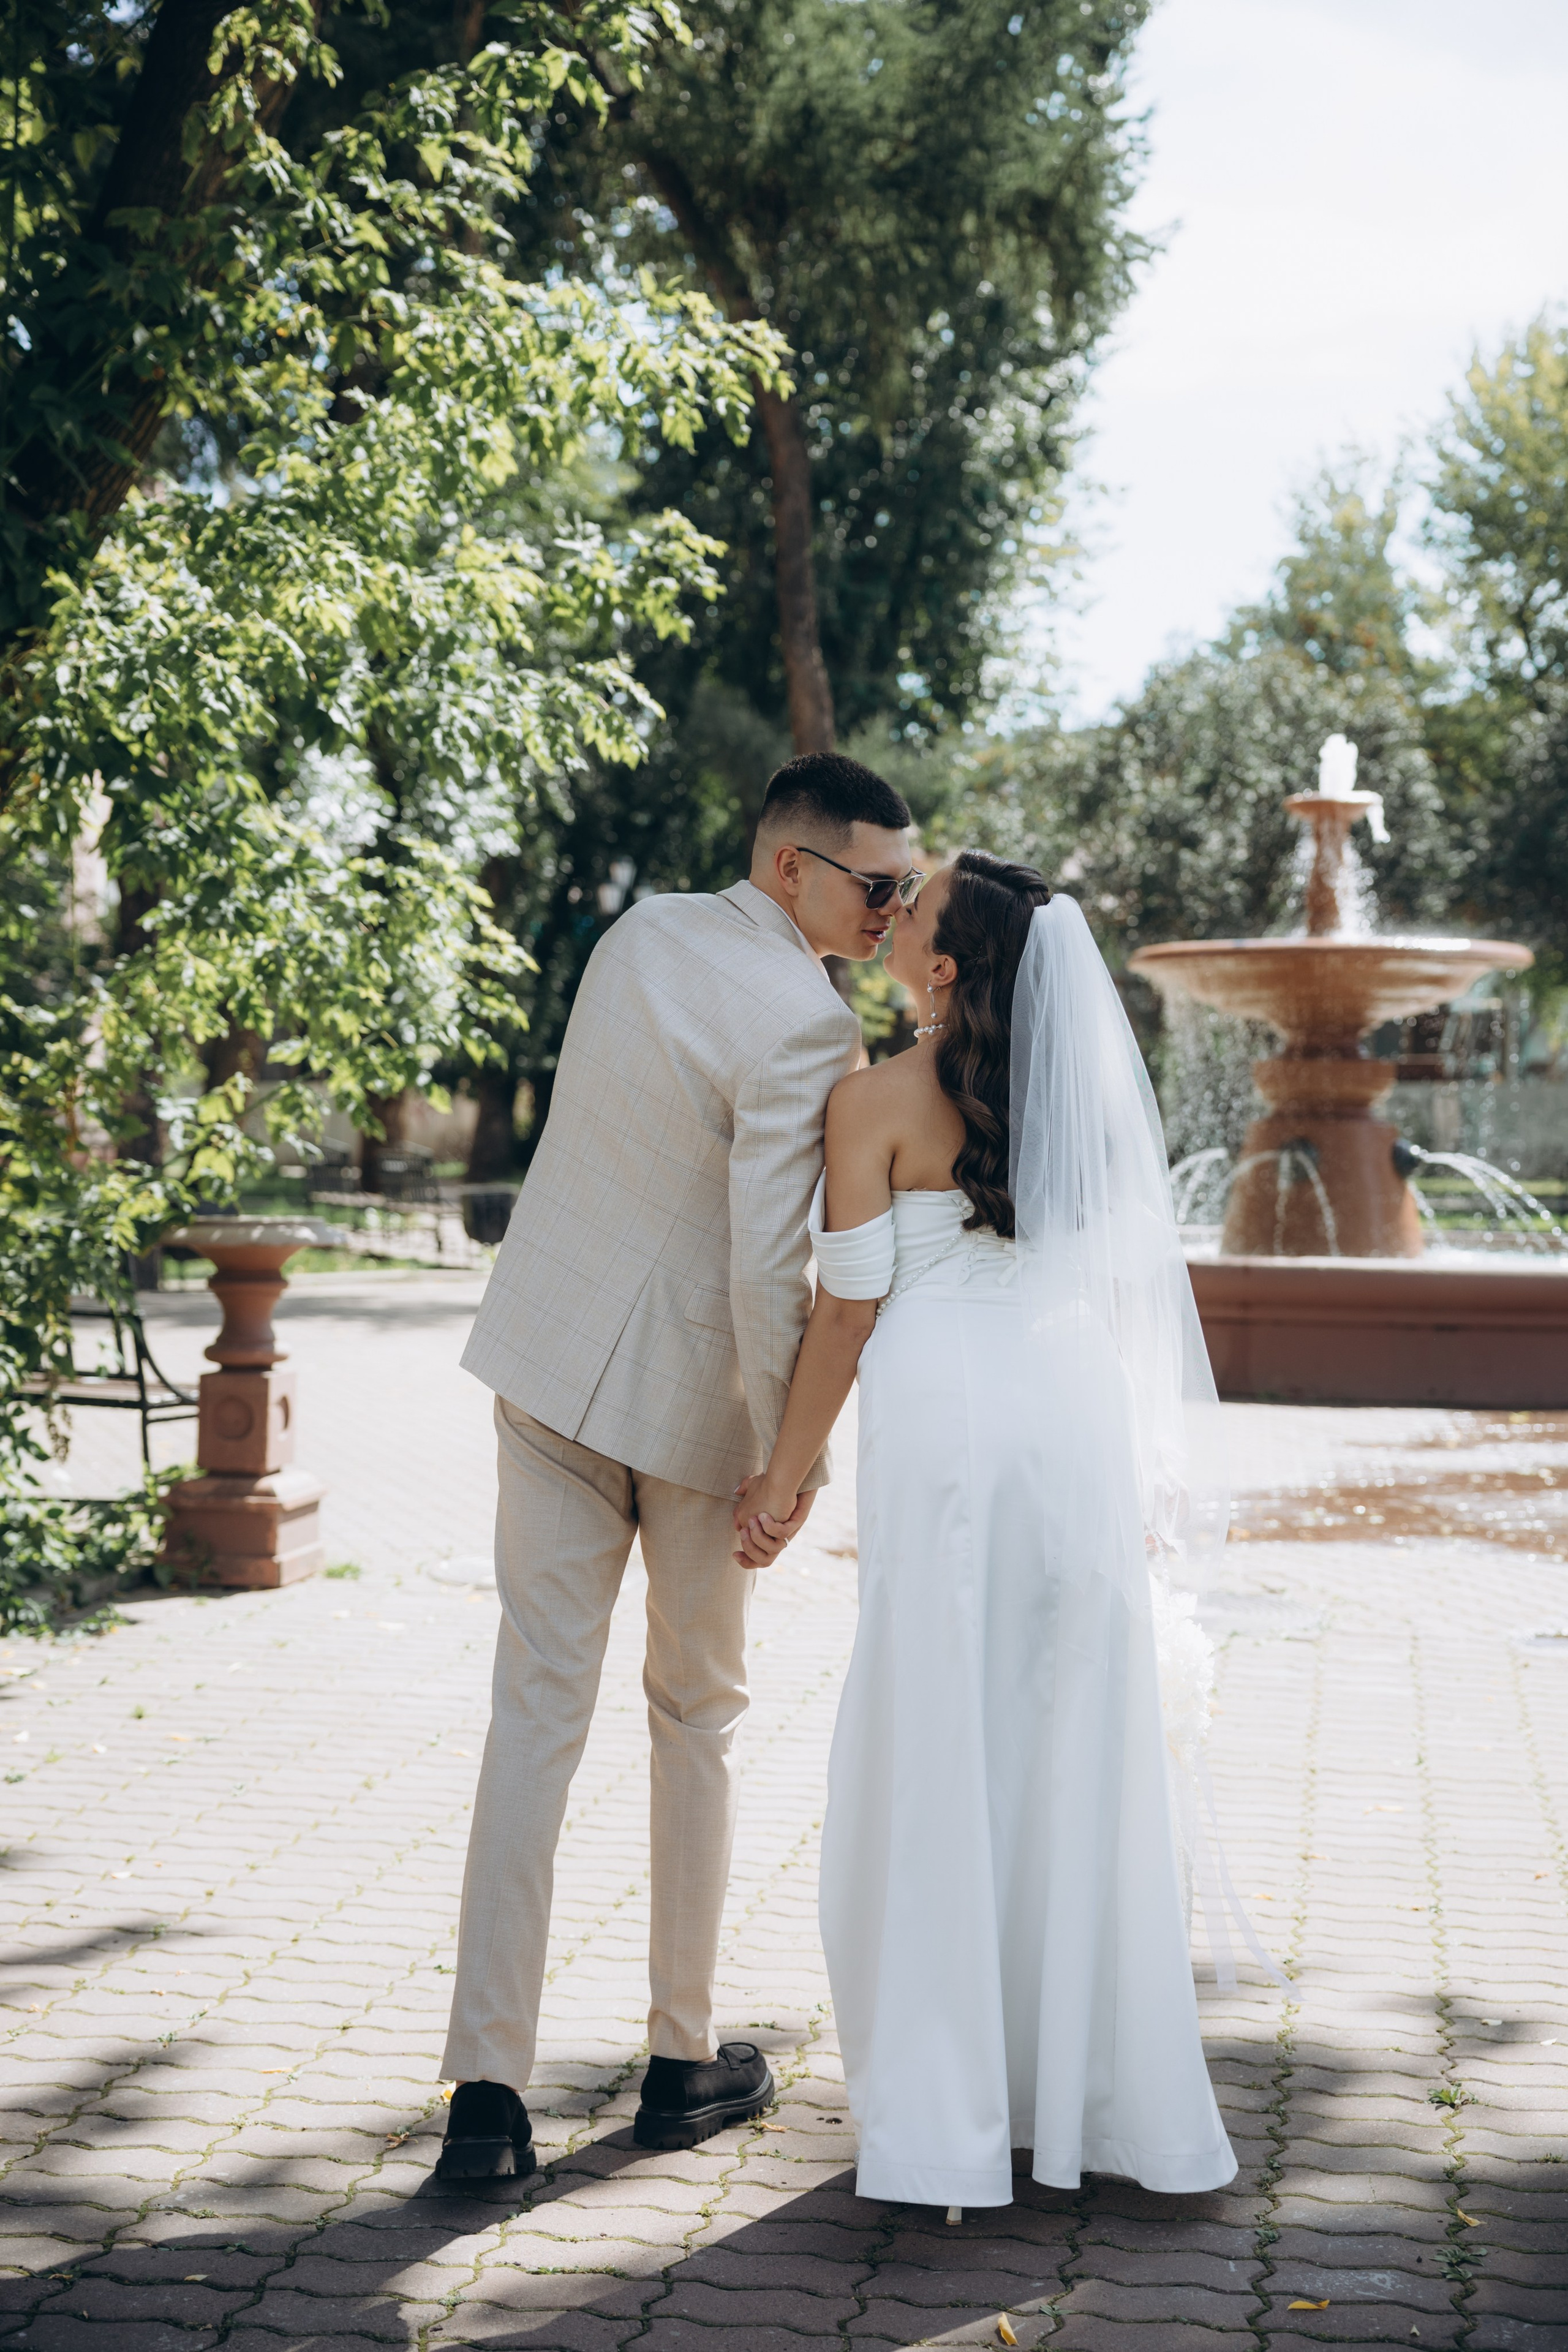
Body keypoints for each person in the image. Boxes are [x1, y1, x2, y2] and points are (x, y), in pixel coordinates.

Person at [732, 849, 1240, 2208]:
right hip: (1067, 1426)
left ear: (945, 970)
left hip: (948, 1432)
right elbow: (1115, 1297)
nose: (891, 915)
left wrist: (779, 1485)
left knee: (939, 1737)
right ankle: (1082, 2097)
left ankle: (950, 2116)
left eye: (918, 907)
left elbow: (843, 1314)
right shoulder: (1064, 1100)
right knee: (1068, 1743)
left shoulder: (872, 1103)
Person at [436, 752, 916, 2179]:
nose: (893, 910)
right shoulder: (807, 1030)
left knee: (532, 1717)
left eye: (901, 889)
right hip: (695, 1422)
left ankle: (483, 2102)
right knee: (694, 1718)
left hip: (543, 1365)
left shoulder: (634, 932)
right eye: (876, 883)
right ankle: (679, 2059)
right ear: (792, 868)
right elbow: (774, 1270)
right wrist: (791, 1460)